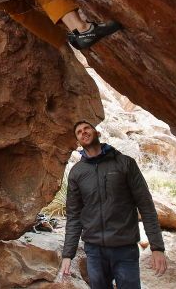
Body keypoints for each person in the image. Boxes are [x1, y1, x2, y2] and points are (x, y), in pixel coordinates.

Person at [59, 120, 167, 288]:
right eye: (79, 132)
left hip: (125, 248)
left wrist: (157, 247)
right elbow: (74, 216)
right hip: (94, 251)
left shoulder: (125, 163)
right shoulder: (77, 172)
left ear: (97, 133)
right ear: (78, 141)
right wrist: (68, 254)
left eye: (87, 128)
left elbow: (146, 206)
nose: (83, 132)